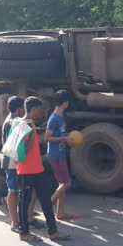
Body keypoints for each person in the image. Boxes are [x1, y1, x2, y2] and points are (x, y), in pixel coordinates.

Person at [17, 96, 69, 243]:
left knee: (46, 200)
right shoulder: (24, 124)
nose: (42, 111)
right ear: (34, 109)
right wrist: (34, 138)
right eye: (40, 108)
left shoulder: (29, 123)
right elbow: (22, 151)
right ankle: (24, 233)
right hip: (26, 169)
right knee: (24, 202)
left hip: (36, 168)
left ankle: (53, 232)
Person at [2, 96, 42, 232]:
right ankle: (14, 223)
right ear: (19, 109)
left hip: (18, 161)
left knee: (25, 192)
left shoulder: (17, 121)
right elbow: (14, 146)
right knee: (13, 192)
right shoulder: (11, 123)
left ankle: (28, 218)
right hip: (12, 162)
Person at [45, 89, 78, 220]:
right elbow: (47, 138)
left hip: (60, 153)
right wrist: (64, 139)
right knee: (67, 184)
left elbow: (60, 135)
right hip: (55, 155)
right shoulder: (54, 119)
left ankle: (60, 213)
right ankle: (48, 205)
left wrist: (68, 138)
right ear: (65, 103)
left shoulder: (61, 116)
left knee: (62, 184)